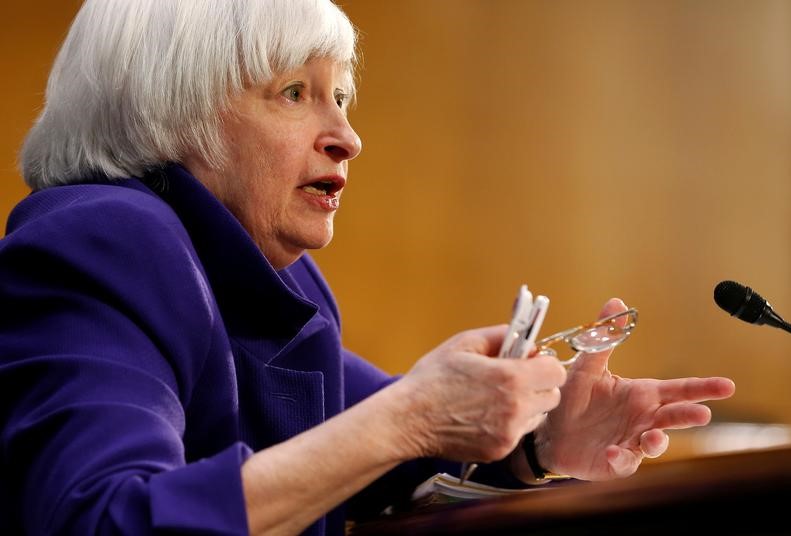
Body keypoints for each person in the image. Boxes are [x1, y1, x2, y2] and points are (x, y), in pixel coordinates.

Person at [0, 1, 735, 535]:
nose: (348, 137)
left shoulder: (267, 275)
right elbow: (100, 520)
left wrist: (539, 446)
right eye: (296, 93)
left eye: (343, 98)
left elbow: (372, 445)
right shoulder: (103, 240)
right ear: (168, 110)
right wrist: (413, 418)